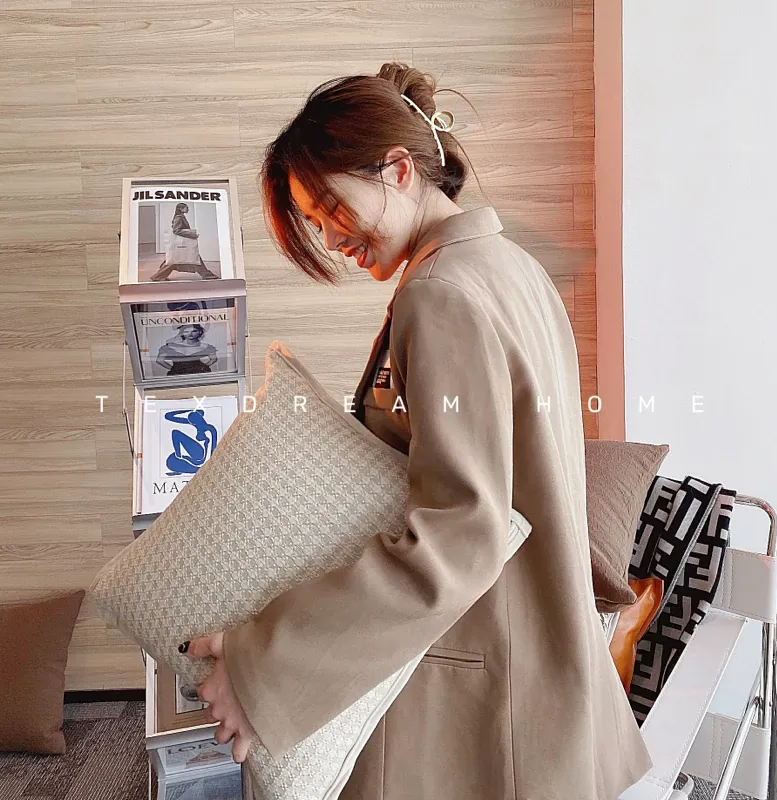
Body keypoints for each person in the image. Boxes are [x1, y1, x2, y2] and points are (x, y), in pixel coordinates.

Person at [183, 62, 652, 799]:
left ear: (398, 169)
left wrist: (266, 667)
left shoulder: (439, 295)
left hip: (483, 692)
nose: (329, 239)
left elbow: (460, 530)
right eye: (314, 222)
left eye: (330, 209)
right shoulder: (510, 268)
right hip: (536, 666)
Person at [150, 202, 218, 281]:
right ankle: (207, 275)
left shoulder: (181, 217)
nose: (188, 209)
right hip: (182, 243)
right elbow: (176, 230)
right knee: (192, 258)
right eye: (186, 208)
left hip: (181, 244)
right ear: (180, 209)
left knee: (177, 260)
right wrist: (192, 234)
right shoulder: (179, 218)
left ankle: (158, 276)